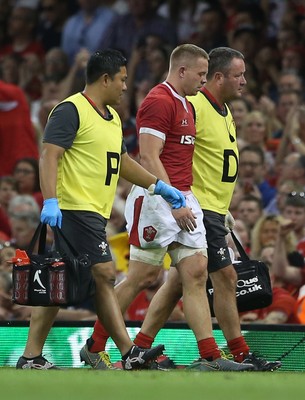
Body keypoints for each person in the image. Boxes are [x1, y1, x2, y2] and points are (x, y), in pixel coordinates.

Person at [80, 44, 254, 372]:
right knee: (143, 276)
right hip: (157, 198)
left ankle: (210, 356)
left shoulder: (186, 103)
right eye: (201, 74)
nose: (204, 81)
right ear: (182, 70)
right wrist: (172, 199)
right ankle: (95, 345)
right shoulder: (159, 101)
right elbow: (148, 155)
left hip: (183, 196)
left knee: (195, 272)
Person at [16, 48, 187, 370]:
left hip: (94, 211)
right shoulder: (70, 110)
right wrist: (50, 200)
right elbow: (49, 155)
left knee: (59, 282)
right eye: (122, 79)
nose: (125, 86)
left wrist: (158, 186)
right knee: (105, 275)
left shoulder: (112, 119)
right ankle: (128, 350)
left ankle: (30, 356)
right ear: (105, 78)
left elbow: (121, 163)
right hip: (73, 208)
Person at [128, 47, 282, 371]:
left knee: (179, 281)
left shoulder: (224, 110)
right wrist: (177, 199)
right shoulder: (193, 104)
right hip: (195, 204)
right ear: (217, 76)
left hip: (212, 207)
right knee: (223, 276)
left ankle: (138, 348)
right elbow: (169, 151)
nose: (244, 81)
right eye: (238, 75)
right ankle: (233, 353)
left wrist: (223, 208)